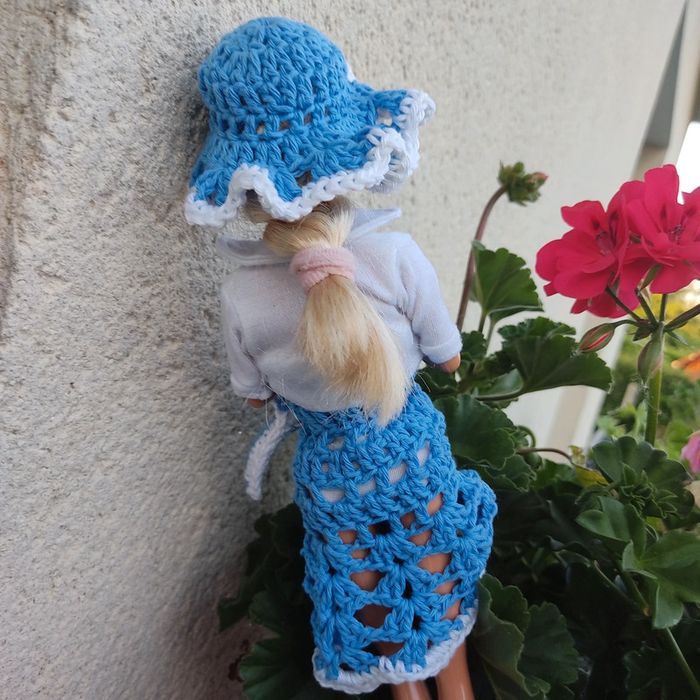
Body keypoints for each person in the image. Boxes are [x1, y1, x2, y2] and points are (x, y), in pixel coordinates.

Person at [186, 17, 496, 700]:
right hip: (409, 449)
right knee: (439, 596)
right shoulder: (395, 257)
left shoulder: (242, 297)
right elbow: (447, 358)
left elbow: (255, 394)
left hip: (331, 476)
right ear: (349, 154)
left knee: (377, 605)